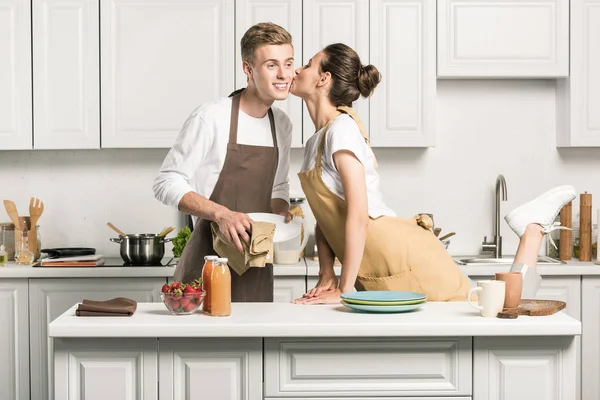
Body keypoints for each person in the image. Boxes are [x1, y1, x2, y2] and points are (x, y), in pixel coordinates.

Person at [289, 43, 576, 304]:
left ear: (324, 79)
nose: (298, 69)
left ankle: (532, 231)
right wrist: (327, 272)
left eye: (307, 64)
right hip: (375, 260)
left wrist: (345, 288)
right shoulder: (318, 139)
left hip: (400, 255)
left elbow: (358, 212)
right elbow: (326, 217)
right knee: (487, 311)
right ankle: (532, 228)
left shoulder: (342, 129)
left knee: (494, 311)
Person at [153, 22, 295, 302]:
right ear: (248, 69)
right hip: (208, 262)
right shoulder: (211, 117)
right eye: (271, 65)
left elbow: (279, 187)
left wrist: (281, 214)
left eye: (288, 64)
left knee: (255, 345)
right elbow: (165, 182)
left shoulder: (282, 124)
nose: (283, 75)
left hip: (256, 264)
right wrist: (222, 214)